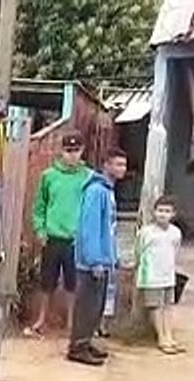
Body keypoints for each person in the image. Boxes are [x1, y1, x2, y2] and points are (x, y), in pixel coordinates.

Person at [27, 131, 91, 337]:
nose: (72, 155)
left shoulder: (88, 177)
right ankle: (42, 319)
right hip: (53, 237)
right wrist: (40, 229)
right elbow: (39, 206)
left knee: (73, 282)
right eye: (68, 150)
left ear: (82, 151)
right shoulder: (49, 176)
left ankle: (72, 322)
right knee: (47, 282)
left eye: (76, 150)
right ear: (62, 151)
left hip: (75, 239)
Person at [68, 147, 126, 366]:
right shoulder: (96, 191)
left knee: (96, 306)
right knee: (87, 306)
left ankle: (86, 341)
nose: (122, 169)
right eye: (118, 164)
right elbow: (90, 228)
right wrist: (95, 261)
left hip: (103, 260)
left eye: (124, 165)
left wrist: (112, 256)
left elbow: (108, 229)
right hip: (92, 263)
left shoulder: (107, 190)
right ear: (107, 165)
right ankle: (78, 347)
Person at [136, 195, 186, 354]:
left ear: (173, 214)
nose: (163, 214)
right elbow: (138, 251)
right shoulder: (146, 232)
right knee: (156, 307)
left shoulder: (175, 233)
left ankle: (169, 335)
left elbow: (175, 250)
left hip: (168, 275)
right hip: (151, 276)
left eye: (167, 211)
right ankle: (161, 337)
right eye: (160, 211)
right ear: (154, 212)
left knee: (168, 306)